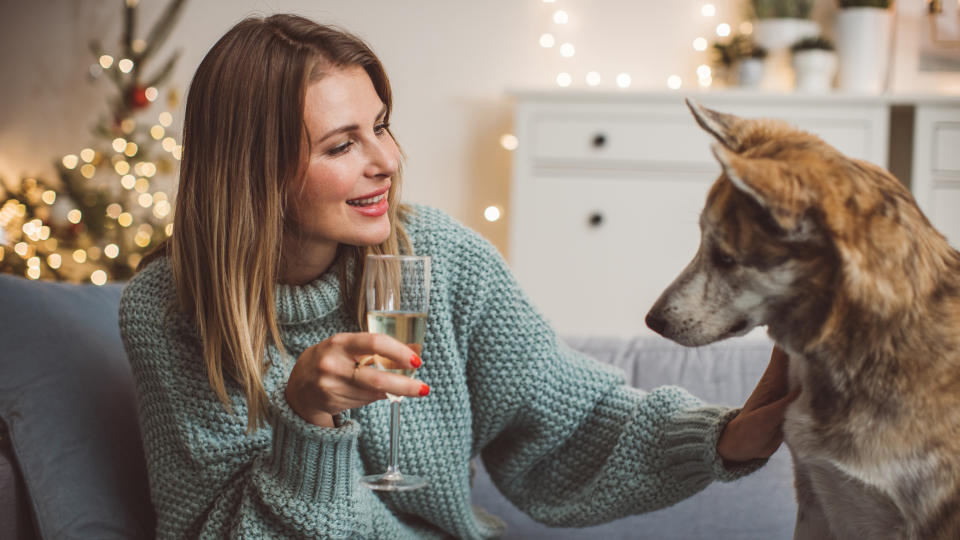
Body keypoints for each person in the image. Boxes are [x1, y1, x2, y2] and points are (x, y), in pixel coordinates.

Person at [119, 13, 797, 539]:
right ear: (254, 170)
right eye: (342, 144)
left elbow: (570, 418)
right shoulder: (168, 309)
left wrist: (720, 438)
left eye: (381, 127)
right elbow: (209, 529)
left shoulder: (437, 258)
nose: (385, 160)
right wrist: (305, 419)